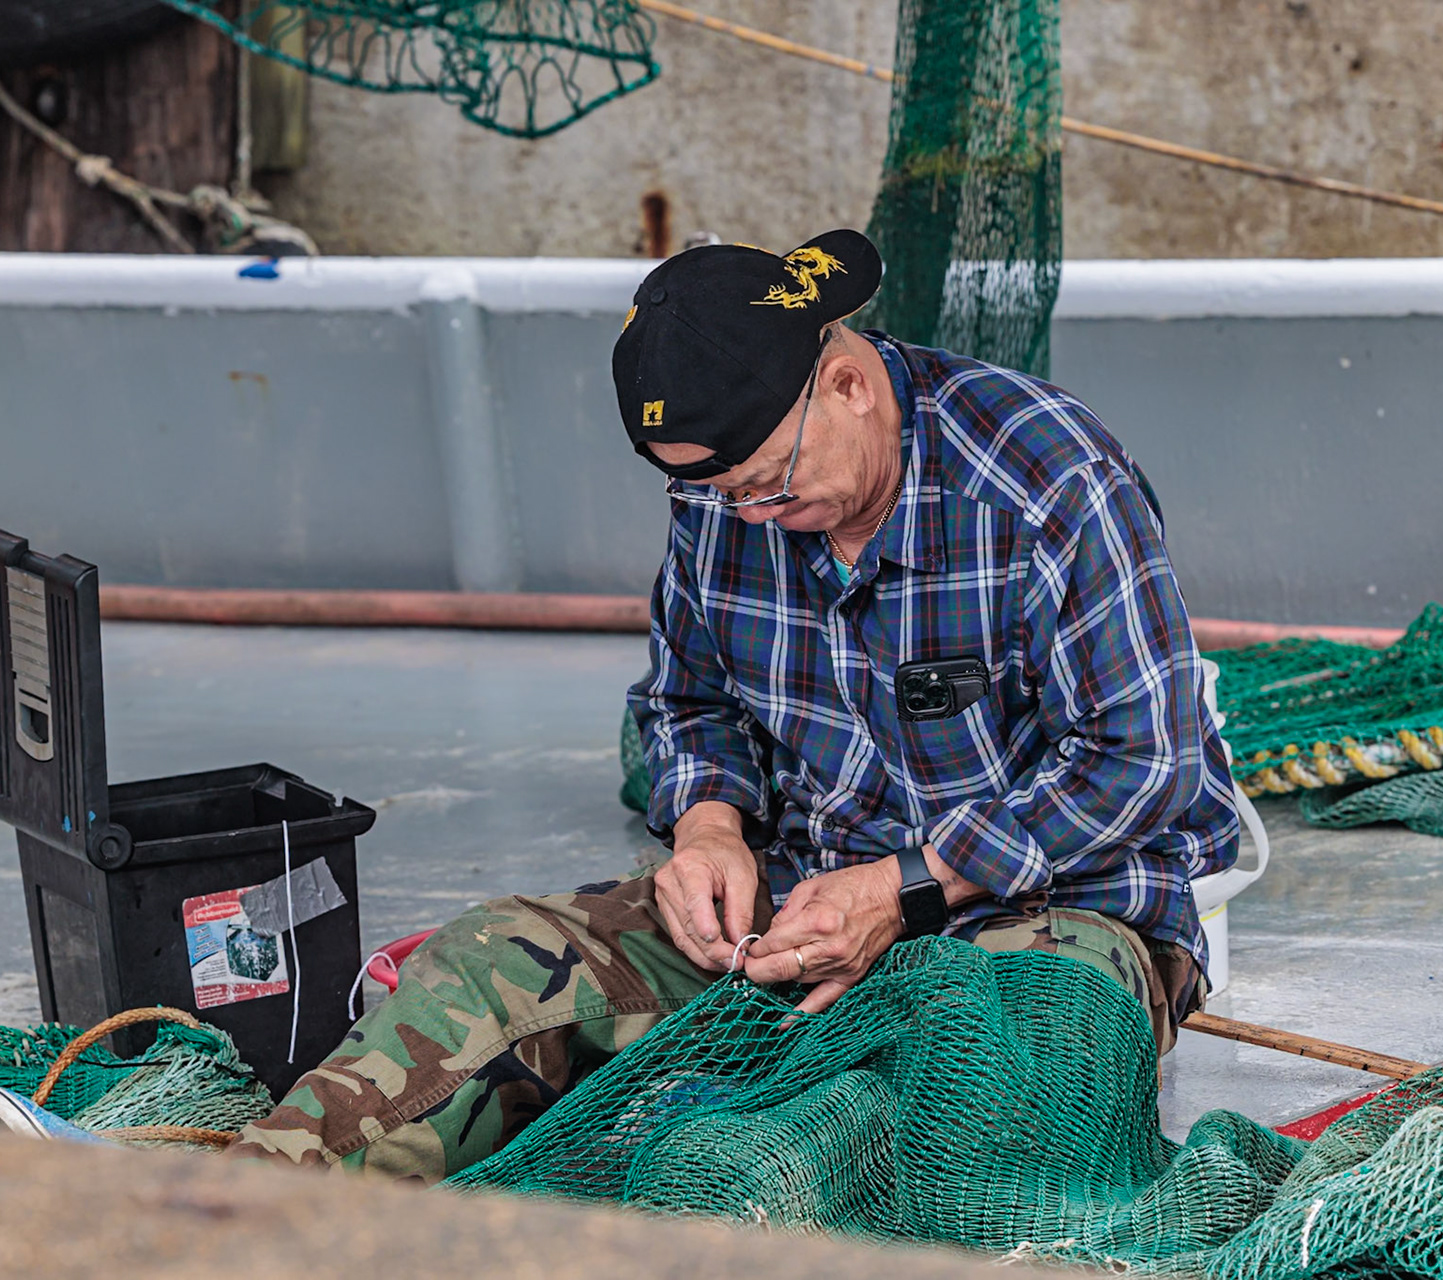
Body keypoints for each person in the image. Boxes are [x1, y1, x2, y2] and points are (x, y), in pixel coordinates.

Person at [231, 229, 1239, 1179]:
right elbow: (687, 699)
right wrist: (709, 831)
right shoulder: (726, 498)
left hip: (1051, 916)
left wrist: (908, 888)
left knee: (971, 1096)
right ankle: (242, 1212)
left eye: (769, 486)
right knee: (490, 971)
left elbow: (1142, 763)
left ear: (848, 383)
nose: (751, 517)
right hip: (801, 897)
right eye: (723, 496)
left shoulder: (1050, 479)